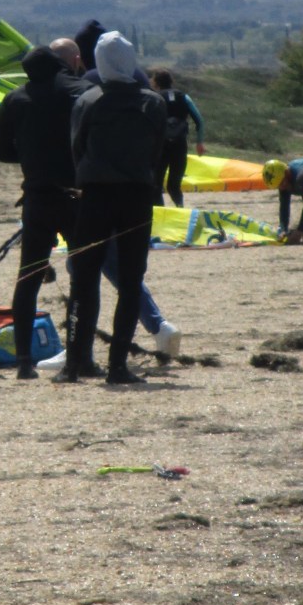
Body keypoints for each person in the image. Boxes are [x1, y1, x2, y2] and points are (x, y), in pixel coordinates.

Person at [48, 39, 182, 363]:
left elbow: (77, 146)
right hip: (137, 194)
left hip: (97, 194)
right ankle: (118, 363)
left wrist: (88, 176)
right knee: (130, 276)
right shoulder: (152, 102)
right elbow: (157, 149)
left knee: (85, 273)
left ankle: (77, 358)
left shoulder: (88, 100)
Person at [0, 41, 92, 380]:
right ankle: (80, 356)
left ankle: (23, 361)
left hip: (37, 197)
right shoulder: (80, 90)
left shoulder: (16, 98)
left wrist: (28, 155)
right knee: (83, 277)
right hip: (76, 196)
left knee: (29, 276)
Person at [151, 68, 205, 208]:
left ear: (155, 82)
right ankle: (180, 208)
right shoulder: (184, 97)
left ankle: (162, 214)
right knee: (174, 186)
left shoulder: (154, 98)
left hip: (160, 146)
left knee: (156, 185)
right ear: (171, 81)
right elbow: (199, 120)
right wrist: (200, 142)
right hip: (180, 145)